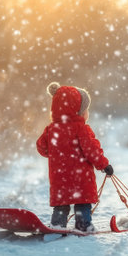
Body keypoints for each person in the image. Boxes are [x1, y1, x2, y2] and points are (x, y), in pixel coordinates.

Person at [36, 82, 114, 232]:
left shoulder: (51, 129)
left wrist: (56, 153)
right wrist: (104, 165)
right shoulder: (81, 129)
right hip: (81, 178)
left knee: (61, 203)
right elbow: (92, 151)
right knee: (82, 202)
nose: (87, 113)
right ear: (79, 112)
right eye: (86, 109)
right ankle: (83, 224)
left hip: (60, 177)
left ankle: (58, 224)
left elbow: (41, 147)